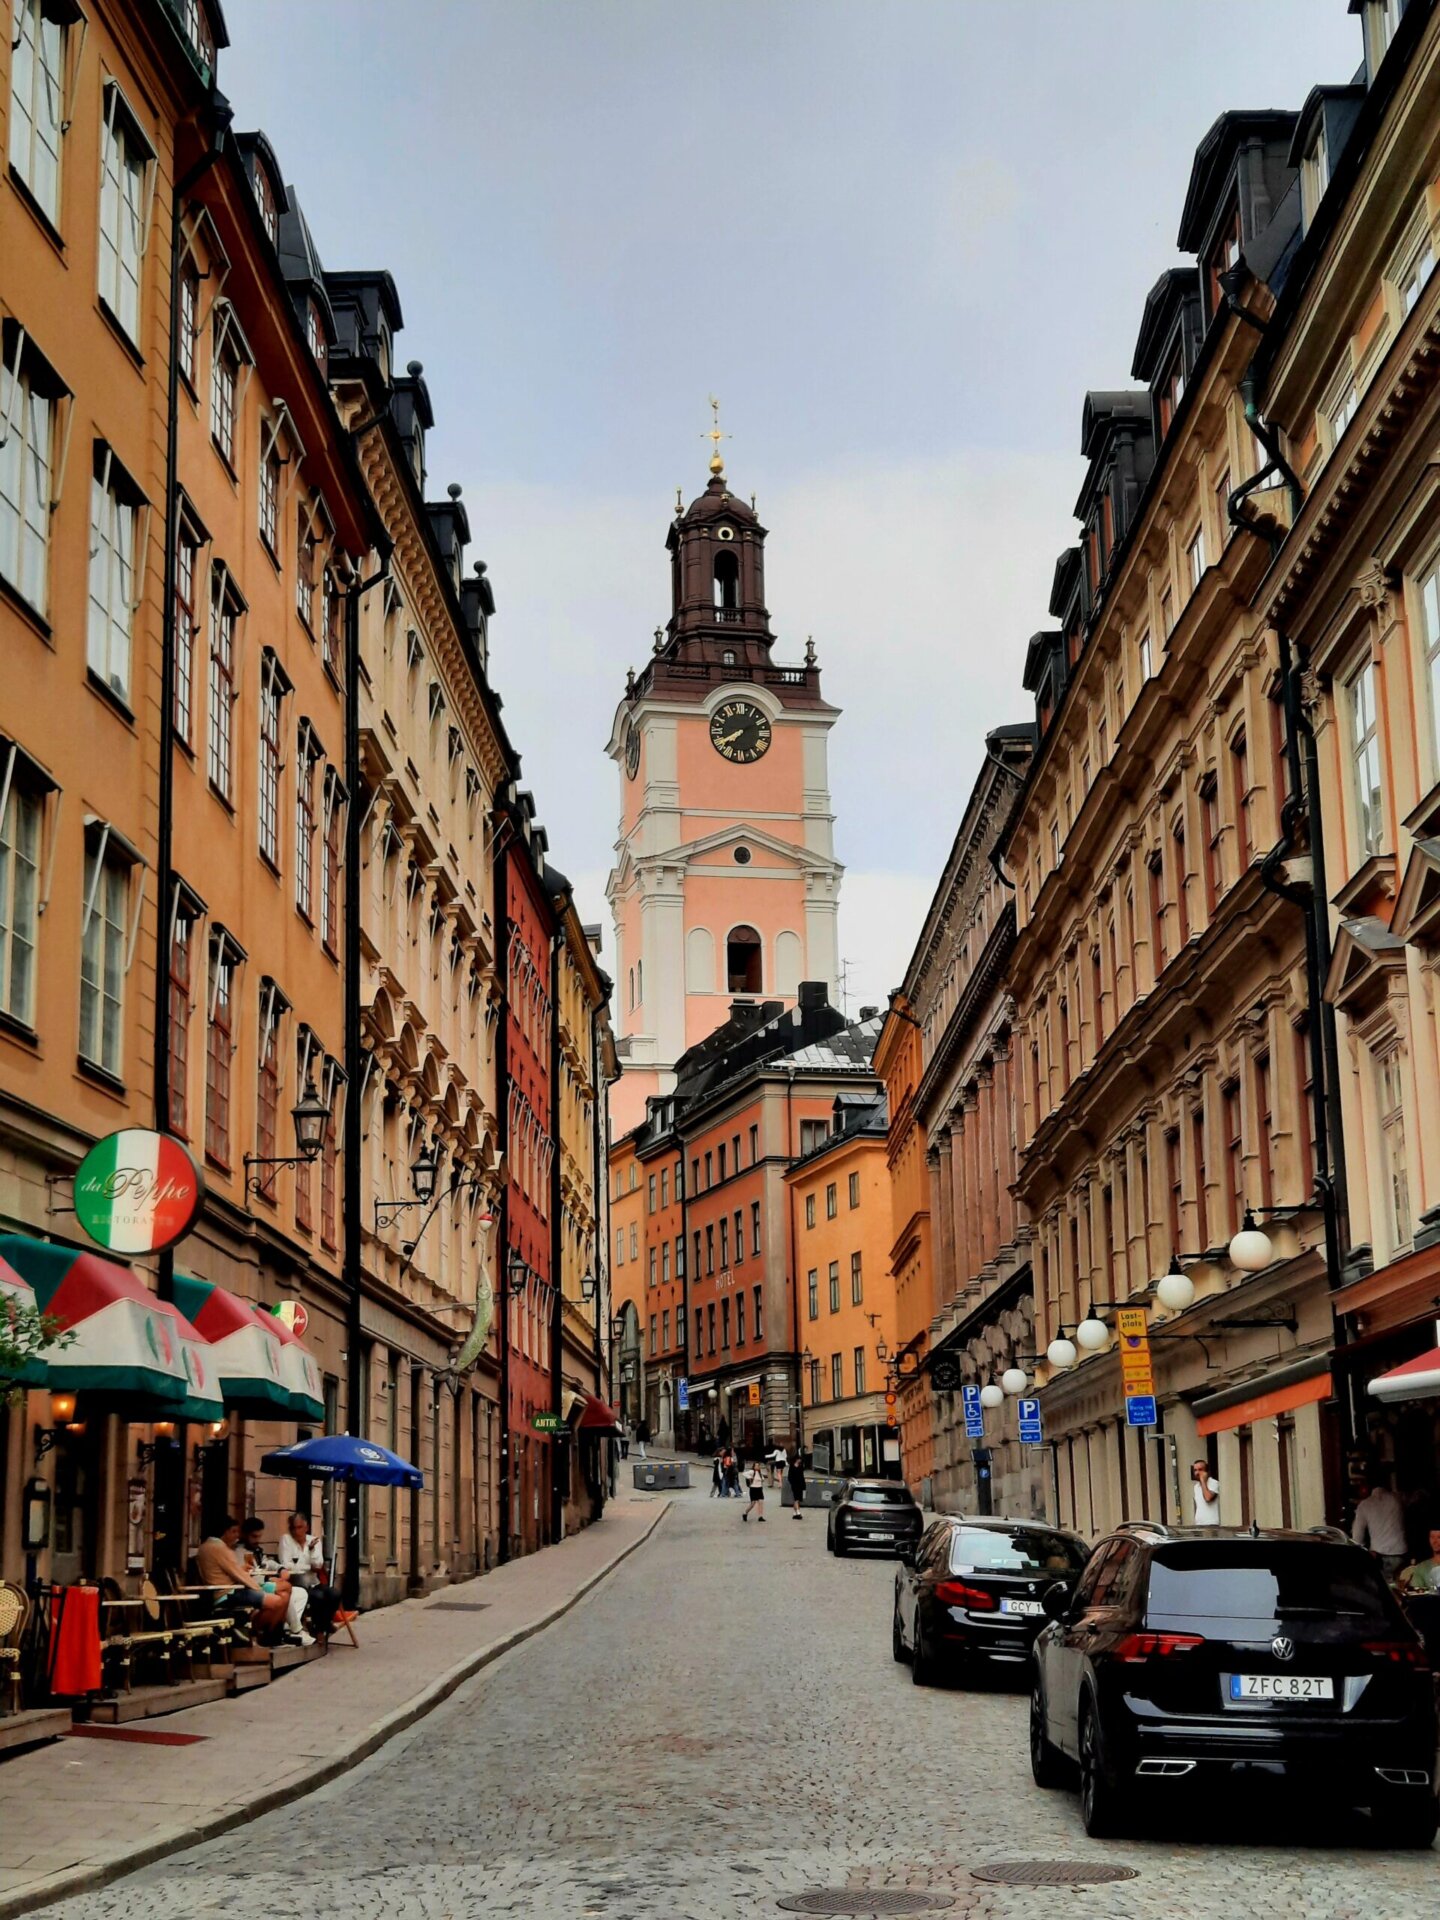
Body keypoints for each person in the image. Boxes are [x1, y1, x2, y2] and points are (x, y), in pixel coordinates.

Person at [197, 1518, 310, 1644]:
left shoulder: (208, 1546)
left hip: (232, 1589)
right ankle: (260, 1633)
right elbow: (237, 1574)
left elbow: (228, 1571)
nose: (236, 1535)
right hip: (228, 1593)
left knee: (284, 1592)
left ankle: (277, 1635)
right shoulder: (220, 1548)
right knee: (278, 1601)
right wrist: (258, 1587)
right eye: (234, 1532)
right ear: (226, 1532)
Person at [276, 1511, 346, 1636]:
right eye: (293, 1528)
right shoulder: (286, 1540)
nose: (296, 1532)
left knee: (334, 1594)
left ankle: (321, 1625)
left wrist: (312, 1551)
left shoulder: (313, 1541)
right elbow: (286, 1566)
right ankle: (321, 1628)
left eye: (299, 1527)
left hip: (314, 1582)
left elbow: (318, 1565)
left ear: (306, 1527)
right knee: (318, 1597)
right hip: (296, 1584)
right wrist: (308, 1565)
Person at [1352, 1475, 1408, 1581]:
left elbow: (1357, 1538)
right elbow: (1417, 1498)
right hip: (1399, 1552)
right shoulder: (1398, 1498)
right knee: (1400, 1587)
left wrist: (1365, 1552)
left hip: (1378, 1555)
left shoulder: (1365, 1505)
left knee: (1383, 1589)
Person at [1397, 1526, 1440, 1593]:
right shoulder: (1421, 1568)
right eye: (1432, 1537)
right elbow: (1418, 1596)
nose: (1434, 1541)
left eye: (1439, 1537)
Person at [1191, 1458, 1220, 1526]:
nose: (1197, 1473)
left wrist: (1203, 1481)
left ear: (1206, 1472)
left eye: (1200, 1470)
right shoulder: (1196, 1487)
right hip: (1199, 1523)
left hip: (1211, 1523)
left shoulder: (1214, 1483)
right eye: (1195, 1470)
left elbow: (1208, 1498)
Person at [788, 1450, 807, 1520]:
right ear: (796, 1460)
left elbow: (802, 1476)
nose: (800, 1461)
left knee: (798, 1499)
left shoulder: (800, 1467)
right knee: (796, 1498)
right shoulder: (792, 1467)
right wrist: (792, 1482)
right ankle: (798, 1512)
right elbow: (789, 1476)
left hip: (800, 1484)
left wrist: (804, 1485)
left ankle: (794, 1513)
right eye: (799, 1459)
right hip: (794, 1484)